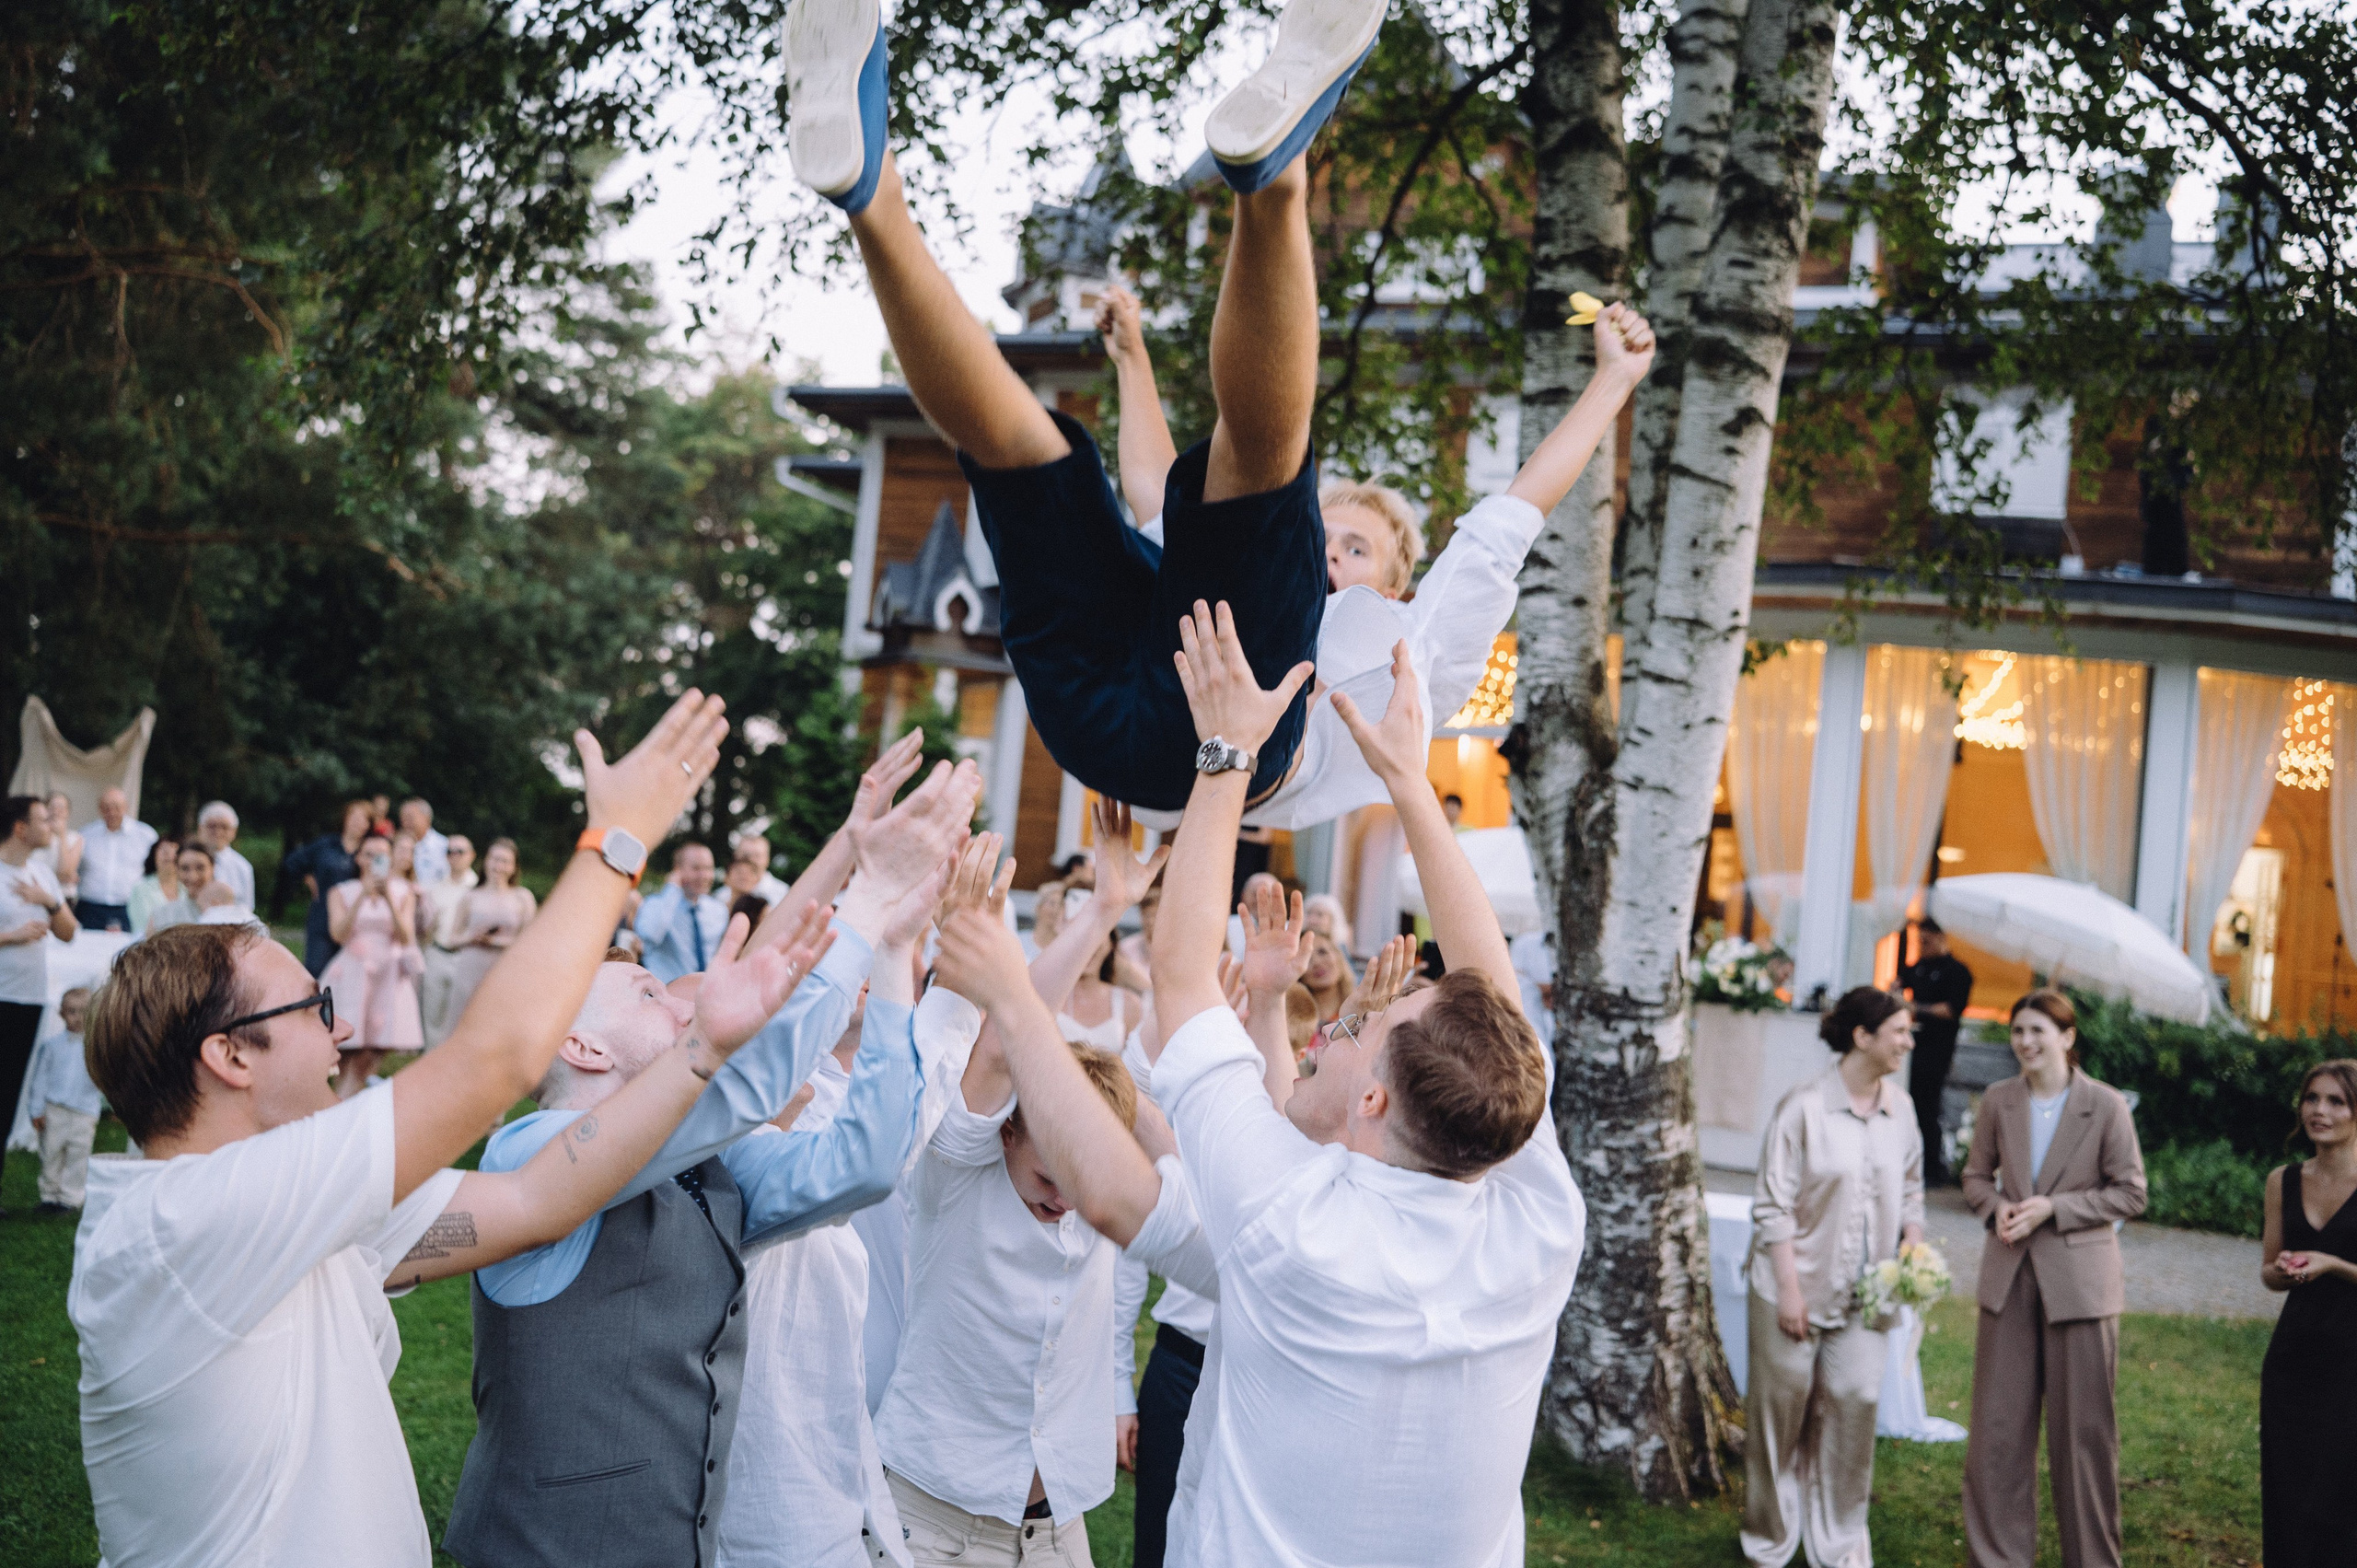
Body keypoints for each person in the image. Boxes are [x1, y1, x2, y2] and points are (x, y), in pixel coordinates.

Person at [784, 0, 1652, 831]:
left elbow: (1510, 518)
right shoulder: (1242, 574)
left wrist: (1612, 383)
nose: (1332, 552)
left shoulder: (1413, 643)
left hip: (1222, 739)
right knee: (1029, 459)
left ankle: (1272, 188)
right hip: (1112, 688)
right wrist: (1132, 364)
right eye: (1332, 536)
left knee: (1267, 477)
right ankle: (872, 198)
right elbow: (1153, 485)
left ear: (1394, 587)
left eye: (1355, 550)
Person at [66, 691, 789, 1568]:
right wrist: (617, 841)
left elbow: (539, 1195)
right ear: (230, 1055)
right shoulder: (187, 1223)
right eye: (313, 1004)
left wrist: (704, 1048)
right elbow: (498, 1062)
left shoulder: (294, 1205)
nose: (338, 1031)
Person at [445, 760, 979, 1568]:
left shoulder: (720, 1168)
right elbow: (743, 1077)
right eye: (650, 993)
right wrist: (862, 902)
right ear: (581, 1043)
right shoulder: (529, 1147)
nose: (680, 1003)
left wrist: (896, 954)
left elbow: (866, 1163)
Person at [1960, 989, 2148, 1568]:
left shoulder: (2106, 1105)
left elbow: (2131, 1191)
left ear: (2068, 1037)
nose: (2026, 1042)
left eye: (2038, 1030)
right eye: (2018, 1031)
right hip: (2009, 1278)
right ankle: (1997, 1558)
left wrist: (2054, 1209)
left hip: (2081, 1289)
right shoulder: (1998, 1100)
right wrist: (1997, 1209)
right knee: (1997, 1436)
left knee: (2083, 1439)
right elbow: (1973, 1177)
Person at [1741, 986, 1925, 1568]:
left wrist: (1911, 1252)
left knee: (1856, 1401)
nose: (1908, 1041)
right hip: (1791, 1288)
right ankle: (1769, 1538)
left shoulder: (1903, 1109)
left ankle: (1841, 1540)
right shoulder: (1803, 1107)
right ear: (1861, 1037)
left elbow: (1914, 1186)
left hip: (1868, 1297)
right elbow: (1773, 1207)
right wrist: (1791, 1295)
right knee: (1781, 1414)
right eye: (1898, 1030)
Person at [2258, 1058, 2357, 1567]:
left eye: (2336, 1101)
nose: (2320, 1110)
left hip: (2351, 1361)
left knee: (2342, 1500)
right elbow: (2268, 1275)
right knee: (2289, 1493)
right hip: (2293, 1358)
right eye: (2312, 1098)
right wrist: (2286, 1268)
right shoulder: (2283, 1180)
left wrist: (2335, 1264)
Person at [2, 797, 80, 1181]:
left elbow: (69, 933)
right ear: (20, 828)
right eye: (42, 820)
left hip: (28, 997)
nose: (51, 826)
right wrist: (10, 936)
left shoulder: (41, 874)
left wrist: (49, 901)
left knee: (8, 1089)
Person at [321, 836, 426, 1097]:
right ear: (359, 858)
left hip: (387, 974)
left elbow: (406, 937)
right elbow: (339, 934)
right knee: (344, 1056)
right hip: (351, 973)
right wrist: (363, 896)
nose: (373, 861)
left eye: (381, 855)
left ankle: (343, 1105)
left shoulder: (404, 892)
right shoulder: (341, 891)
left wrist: (388, 897)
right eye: (369, 854)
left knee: (369, 1056)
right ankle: (341, 1105)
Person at [1898, 917, 1974, 1184]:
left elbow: (1951, 1010)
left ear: (1941, 938)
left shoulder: (1958, 972)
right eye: (1919, 941)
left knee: (1928, 1107)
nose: (1923, 946)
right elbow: (1898, 983)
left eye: (1927, 941)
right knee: (1910, 1103)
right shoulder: (1918, 967)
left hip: (1938, 1050)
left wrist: (1916, 1009)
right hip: (1912, 1048)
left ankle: (1932, 1168)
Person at [28, 986, 100, 1212]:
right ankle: (49, 1195)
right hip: (54, 1109)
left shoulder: (96, 1049)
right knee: (51, 1152)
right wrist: (36, 1109)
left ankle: (70, 1198)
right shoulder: (52, 1046)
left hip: (84, 1111)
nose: (78, 1018)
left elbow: (102, 1079)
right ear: (61, 1013)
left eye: (84, 1012)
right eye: (72, 1011)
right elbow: (40, 1079)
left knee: (78, 1154)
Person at [284, 801, 373, 973]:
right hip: (322, 917)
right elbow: (292, 862)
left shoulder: (368, 851)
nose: (358, 823)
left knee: (349, 972)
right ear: (345, 819)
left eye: (364, 819)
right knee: (317, 969)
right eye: (354, 817)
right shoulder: (326, 845)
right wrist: (308, 877)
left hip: (353, 921)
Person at [638, 841, 731, 982]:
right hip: (665, 994)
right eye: (696, 868)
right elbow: (650, 935)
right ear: (677, 870)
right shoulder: (656, 904)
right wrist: (672, 889)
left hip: (704, 995)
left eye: (708, 868)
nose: (704, 875)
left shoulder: (719, 910)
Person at [420, 834, 479, 1046]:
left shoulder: (478, 888)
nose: (454, 856)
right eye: (449, 851)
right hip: (437, 953)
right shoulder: (435, 888)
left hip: (465, 957)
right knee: (432, 1014)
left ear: (471, 856)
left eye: (460, 851)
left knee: (463, 1015)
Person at [75, 787, 156, 933]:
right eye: (106, 808)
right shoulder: (85, 835)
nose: (111, 813)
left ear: (126, 807)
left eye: (116, 807)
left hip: (130, 907)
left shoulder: (145, 835)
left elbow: (154, 870)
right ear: (99, 809)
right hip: (90, 908)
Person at [145, 842, 215, 935]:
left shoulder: (229, 912)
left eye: (200, 868)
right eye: (185, 868)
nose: (192, 876)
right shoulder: (162, 915)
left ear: (212, 868)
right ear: (177, 870)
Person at [197, 801, 256, 910]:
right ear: (200, 828)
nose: (218, 832)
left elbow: (247, 908)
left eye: (224, 827)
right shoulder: (184, 861)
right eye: (212, 826)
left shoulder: (243, 867)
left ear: (234, 831)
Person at [126, 836, 179, 936]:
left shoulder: (188, 888)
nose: (167, 853)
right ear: (154, 856)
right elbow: (141, 926)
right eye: (162, 849)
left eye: (173, 848)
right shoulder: (141, 889)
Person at [39, 789, 85, 904]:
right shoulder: (36, 836)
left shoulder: (75, 838)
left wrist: (62, 836)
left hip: (63, 898)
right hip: (37, 895)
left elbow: (66, 873)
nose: (56, 811)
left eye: (61, 808)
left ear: (68, 813)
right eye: (52, 807)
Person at [398, 797, 450, 887]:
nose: (405, 823)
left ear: (426, 818)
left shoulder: (444, 846)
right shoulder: (396, 846)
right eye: (403, 819)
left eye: (410, 818)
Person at [732, 832, 792, 906]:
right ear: (735, 856)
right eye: (746, 855)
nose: (751, 860)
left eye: (757, 856)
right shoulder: (722, 895)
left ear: (767, 860)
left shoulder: (783, 894)